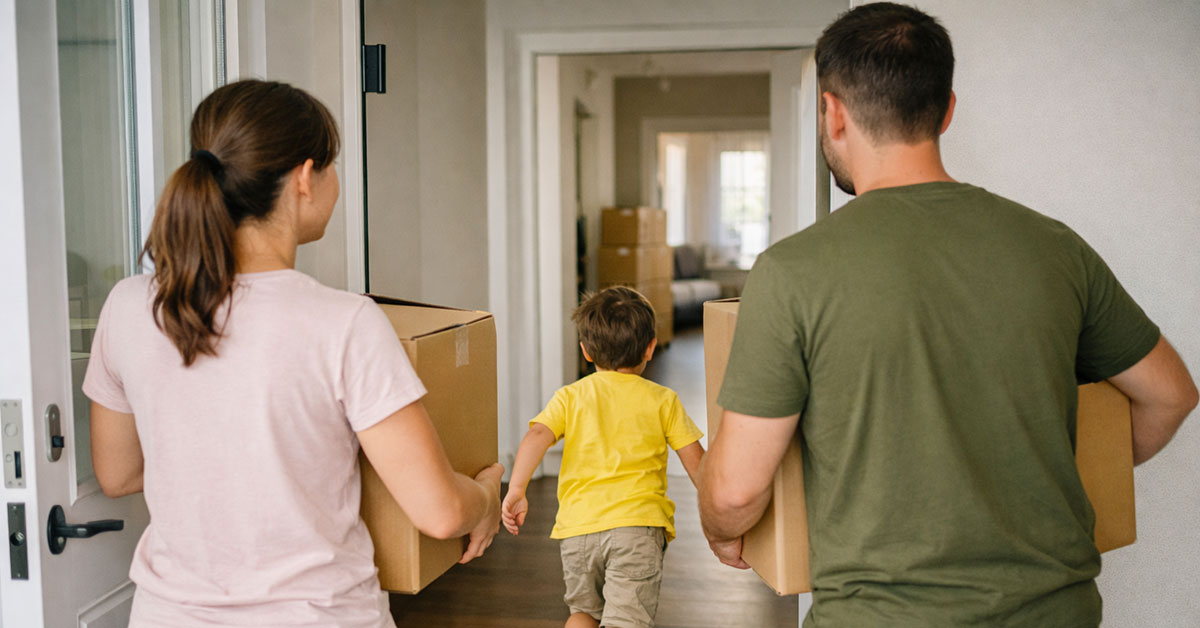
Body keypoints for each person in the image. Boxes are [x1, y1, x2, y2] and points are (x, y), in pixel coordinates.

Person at [698, 3, 1197, 627]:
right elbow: (1171, 396)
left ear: (831, 111)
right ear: (947, 109)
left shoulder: (793, 272)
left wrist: (721, 530)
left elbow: (735, 490)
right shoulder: (1054, 247)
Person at [84, 79, 503, 628]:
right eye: (332, 167)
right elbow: (441, 512)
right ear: (306, 177)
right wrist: (488, 497)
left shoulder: (129, 306)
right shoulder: (344, 322)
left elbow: (116, 473)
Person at [501, 286, 705, 628]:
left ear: (586, 352)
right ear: (651, 347)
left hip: (578, 530)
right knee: (626, 620)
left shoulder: (570, 396)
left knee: (583, 614)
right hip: (636, 530)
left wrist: (517, 488)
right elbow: (697, 462)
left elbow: (537, 435)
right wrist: (725, 515)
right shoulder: (663, 400)